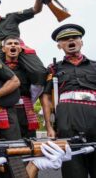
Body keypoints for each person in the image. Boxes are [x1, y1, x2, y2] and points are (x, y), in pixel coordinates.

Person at [41, 24, 96, 178]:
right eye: (65, 39)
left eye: (75, 37)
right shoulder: (53, 69)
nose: (71, 40)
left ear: (81, 42)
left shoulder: (94, 66)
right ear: (59, 45)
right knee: (73, 171)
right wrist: (49, 127)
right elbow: (45, 97)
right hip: (67, 121)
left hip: (94, 117)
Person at [0, 0, 47, 87]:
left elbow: (36, 9)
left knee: (39, 71)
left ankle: (33, 93)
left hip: (17, 47)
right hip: (0, 51)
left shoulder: (12, 17)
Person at [1, 36, 40, 138]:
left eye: (16, 43)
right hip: (6, 110)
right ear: (3, 49)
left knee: (29, 140)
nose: (13, 45)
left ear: (20, 49)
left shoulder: (28, 68)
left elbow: (36, 87)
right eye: (9, 43)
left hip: (25, 109)